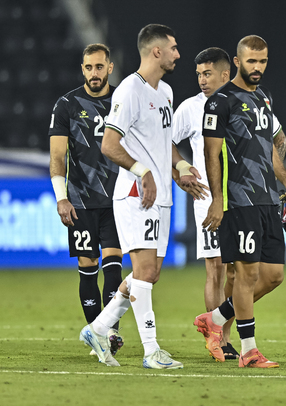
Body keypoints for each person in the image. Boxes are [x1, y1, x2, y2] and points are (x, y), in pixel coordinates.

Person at [79, 24, 204, 369]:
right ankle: (151, 351)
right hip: (137, 195)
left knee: (150, 273)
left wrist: (180, 168)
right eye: (174, 48)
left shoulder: (164, 91)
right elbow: (109, 144)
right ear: (156, 51)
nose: (179, 54)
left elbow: (165, 145)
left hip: (161, 196)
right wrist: (143, 171)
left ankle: (98, 328)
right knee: (145, 270)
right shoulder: (129, 91)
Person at [172, 47, 286, 361]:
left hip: (255, 199)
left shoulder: (254, 99)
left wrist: (279, 179)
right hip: (213, 198)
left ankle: (217, 321)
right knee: (217, 269)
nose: (201, 80)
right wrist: (178, 172)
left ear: (225, 73)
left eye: (207, 74)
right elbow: (165, 141)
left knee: (246, 275)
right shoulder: (193, 108)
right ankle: (220, 342)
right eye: (198, 74)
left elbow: (277, 138)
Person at [49, 43, 124, 356]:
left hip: (119, 199)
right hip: (80, 200)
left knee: (114, 265)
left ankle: (109, 332)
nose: (95, 73)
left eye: (99, 67)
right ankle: (96, 332)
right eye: (89, 67)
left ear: (109, 67)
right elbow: (56, 157)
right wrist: (61, 197)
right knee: (87, 264)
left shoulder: (123, 99)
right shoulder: (66, 105)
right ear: (83, 70)